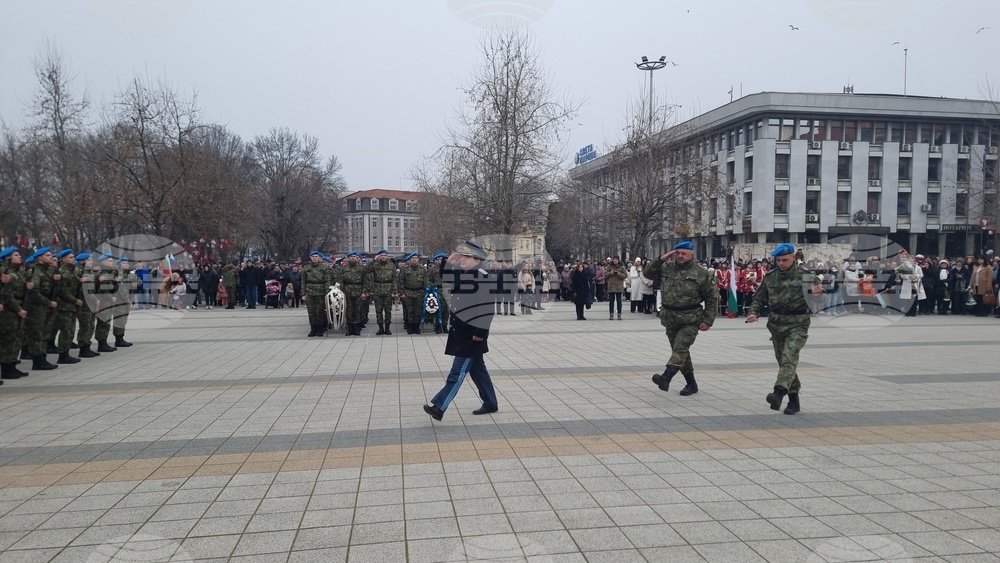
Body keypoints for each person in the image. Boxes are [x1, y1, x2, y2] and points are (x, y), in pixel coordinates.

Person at [423, 241, 501, 421]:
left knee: (457, 373)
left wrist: (480, 334)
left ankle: (439, 407)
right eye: (462, 256)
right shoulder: (464, 274)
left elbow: (486, 310)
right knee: (477, 370)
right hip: (462, 332)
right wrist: (449, 262)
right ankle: (490, 402)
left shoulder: (483, 277)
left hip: (471, 335)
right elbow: (446, 277)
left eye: (466, 257)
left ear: (477, 259)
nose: (462, 260)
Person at [747, 243, 822, 415]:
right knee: (784, 363)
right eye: (778, 260)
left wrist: (818, 295)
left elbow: (820, 303)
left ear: (794, 258)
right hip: (776, 324)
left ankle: (779, 392)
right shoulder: (770, 277)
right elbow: (758, 298)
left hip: (798, 323)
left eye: (785, 260)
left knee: (789, 357)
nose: (781, 263)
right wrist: (753, 313)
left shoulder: (807, 277)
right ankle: (794, 401)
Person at [645, 242, 718, 396]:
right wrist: (661, 259)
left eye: (684, 253)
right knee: (681, 353)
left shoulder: (701, 273)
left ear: (692, 255)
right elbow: (648, 273)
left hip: (690, 318)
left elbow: (712, 298)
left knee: (680, 349)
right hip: (670, 317)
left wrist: (708, 320)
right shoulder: (667, 267)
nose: (680, 256)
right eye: (677, 253)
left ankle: (666, 377)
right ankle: (691, 384)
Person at [366, 249, 398, 335]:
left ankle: (387, 328)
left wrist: (394, 290)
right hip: (378, 289)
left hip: (388, 289)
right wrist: (373, 260)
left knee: (388, 310)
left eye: (385, 255)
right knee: (378, 310)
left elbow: (395, 278)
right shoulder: (375, 265)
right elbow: (366, 269)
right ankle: (380, 328)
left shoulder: (391, 265)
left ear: (387, 256)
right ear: (379, 256)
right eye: (381, 255)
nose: (383, 257)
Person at [301, 251, 331, 337]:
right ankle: (313, 329)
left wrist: (326, 293)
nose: (314, 258)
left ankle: (319, 329)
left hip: (320, 292)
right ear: (310, 258)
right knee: (311, 312)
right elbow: (303, 281)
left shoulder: (324, 268)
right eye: (313, 256)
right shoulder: (306, 268)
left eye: (316, 256)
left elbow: (327, 281)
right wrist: (303, 293)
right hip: (309, 292)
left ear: (319, 258)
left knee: (320, 311)